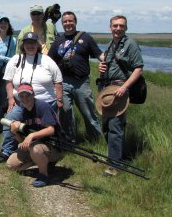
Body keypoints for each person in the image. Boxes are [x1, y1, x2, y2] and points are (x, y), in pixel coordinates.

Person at [0, 32, 63, 163]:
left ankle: (48, 150)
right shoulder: (16, 59)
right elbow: (8, 81)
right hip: (22, 102)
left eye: (33, 43)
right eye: (27, 43)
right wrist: (11, 98)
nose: (30, 46)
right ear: (23, 45)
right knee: (9, 120)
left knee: (44, 128)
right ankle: (7, 150)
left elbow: (58, 81)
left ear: (37, 45)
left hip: (44, 102)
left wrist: (59, 100)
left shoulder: (46, 60)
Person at [98, 15, 144, 176]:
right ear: (110, 27)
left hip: (120, 89)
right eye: (115, 26)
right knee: (106, 125)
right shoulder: (111, 45)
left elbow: (139, 68)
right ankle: (115, 157)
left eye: (121, 26)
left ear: (126, 28)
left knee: (115, 126)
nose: (118, 28)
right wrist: (101, 68)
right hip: (107, 89)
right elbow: (107, 64)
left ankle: (114, 166)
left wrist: (124, 87)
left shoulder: (130, 44)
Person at [48, 11, 103, 143]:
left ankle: (96, 140)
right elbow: (49, 61)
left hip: (81, 82)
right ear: (62, 24)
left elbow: (99, 55)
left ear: (75, 22)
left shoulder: (86, 38)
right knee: (65, 113)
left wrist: (107, 62)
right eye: (65, 21)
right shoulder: (58, 41)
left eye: (70, 21)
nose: (68, 24)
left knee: (88, 113)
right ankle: (69, 140)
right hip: (63, 82)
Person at [6, 83, 63, 187]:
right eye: (21, 96)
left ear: (33, 94)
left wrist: (31, 136)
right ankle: (44, 163)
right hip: (35, 146)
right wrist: (14, 132)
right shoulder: (24, 111)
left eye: (28, 95)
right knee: (11, 165)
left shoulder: (42, 106)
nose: (25, 98)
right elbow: (22, 142)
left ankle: (44, 175)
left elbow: (51, 130)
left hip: (53, 145)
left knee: (35, 149)